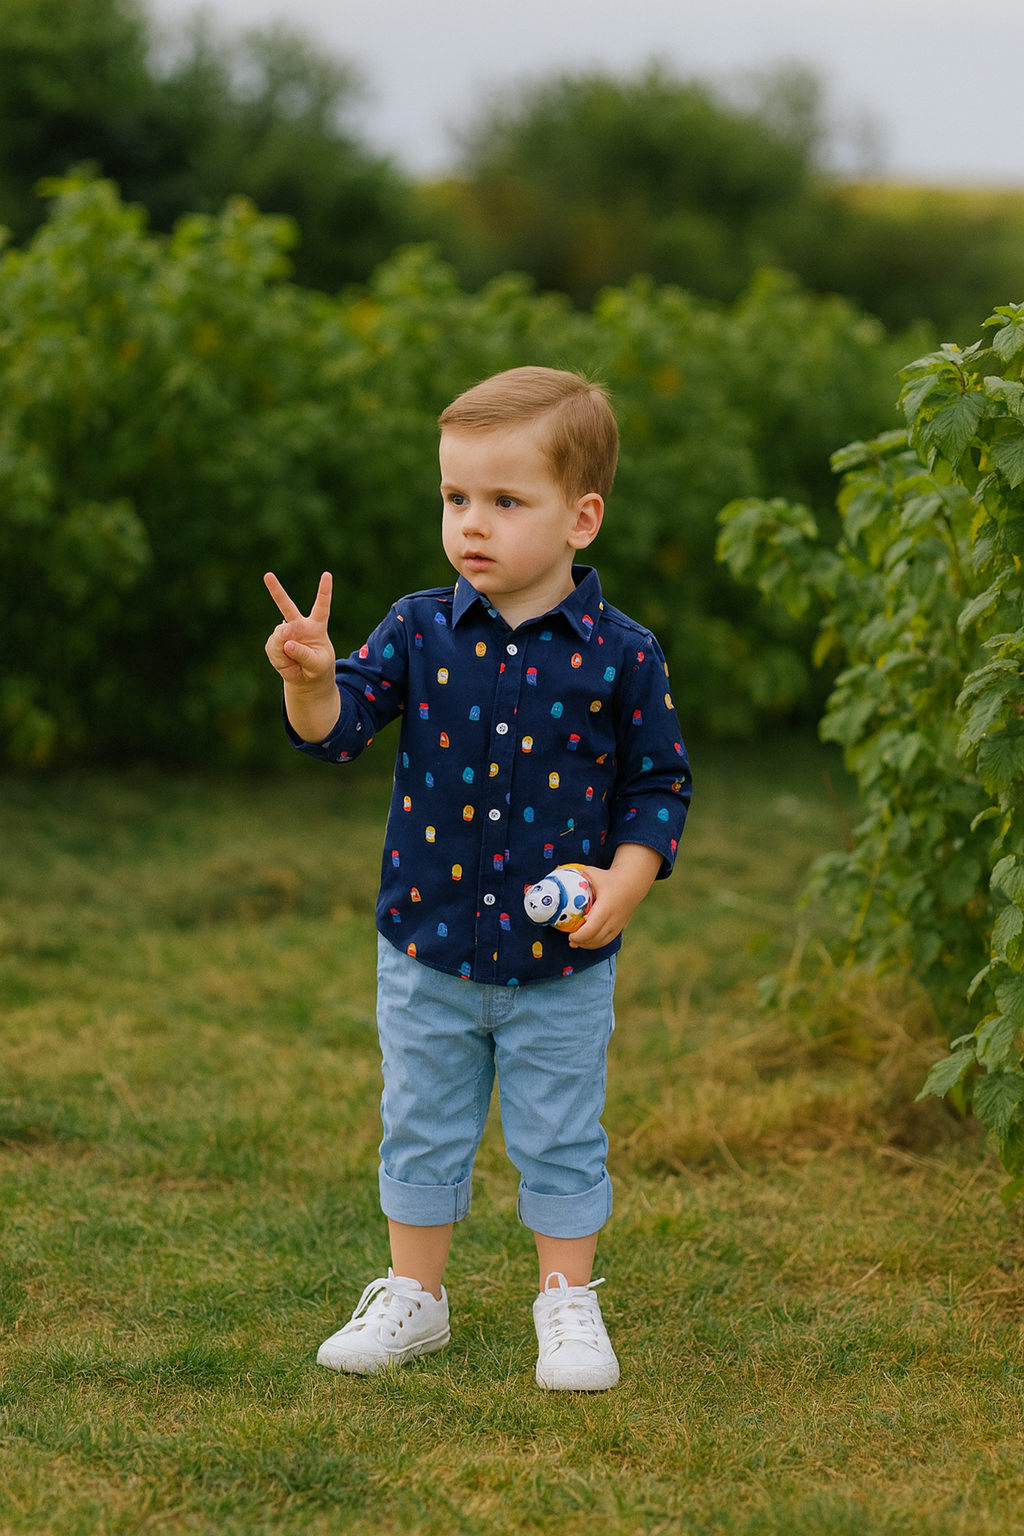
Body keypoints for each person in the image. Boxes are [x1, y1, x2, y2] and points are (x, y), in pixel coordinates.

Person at [263, 367, 691, 1391]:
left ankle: (566, 1302)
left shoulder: (622, 656)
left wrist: (625, 885)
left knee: (559, 1130)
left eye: (506, 501)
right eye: (456, 498)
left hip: (561, 965)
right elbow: (339, 735)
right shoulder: (417, 628)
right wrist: (312, 682)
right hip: (428, 946)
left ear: (580, 518)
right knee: (421, 1119)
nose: (473, 524)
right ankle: (416, 1299)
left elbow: (658, 786)